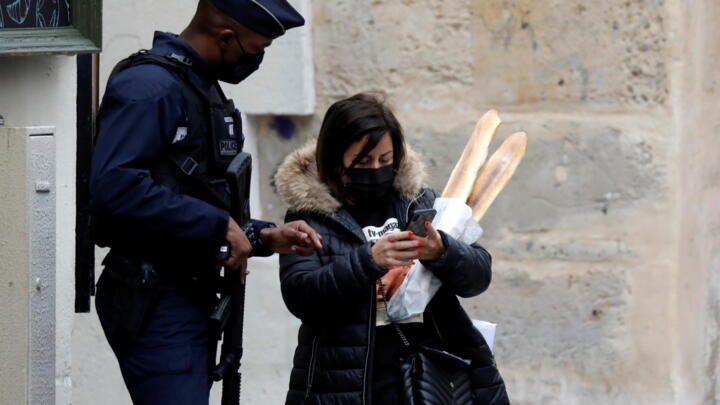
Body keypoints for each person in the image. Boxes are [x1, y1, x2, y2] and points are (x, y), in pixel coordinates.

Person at [90, 1, 322, 404]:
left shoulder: (197, 84)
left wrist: (264, 236)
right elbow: (115, 186)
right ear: (226, 37)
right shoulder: (149, 86)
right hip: (155, 297)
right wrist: (217, 225)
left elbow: (194, 191)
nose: (256, 60)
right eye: (255, 50)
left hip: (189, 292)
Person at [274, 93, 510, 404]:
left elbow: (478, 277)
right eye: (362, 161)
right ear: (335, 160)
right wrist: (368, 261)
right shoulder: (309, 218)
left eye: (385, 160)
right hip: (347, 384)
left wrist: (442, 251)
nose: (376, 169)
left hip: (431, 379)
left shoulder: (419, 201)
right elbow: (300, 296)